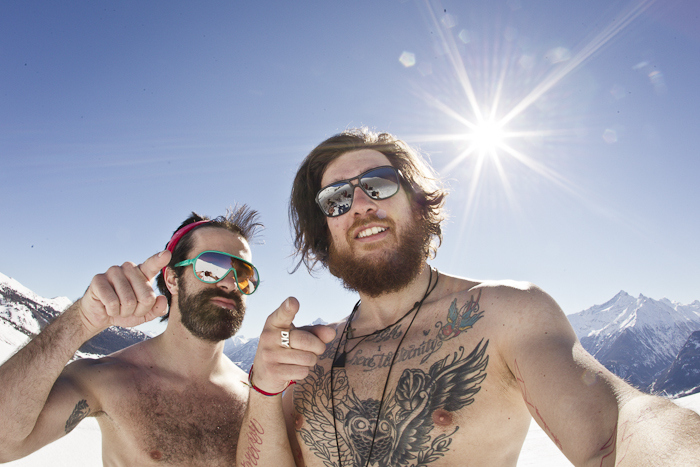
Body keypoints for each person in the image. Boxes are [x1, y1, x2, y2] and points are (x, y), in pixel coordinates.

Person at [238, 129, 700, 467]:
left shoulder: (505, 314)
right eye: (336, 199)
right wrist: (263, 390)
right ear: (325, 231)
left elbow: (619, 424)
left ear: (417, 201)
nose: (360, 204)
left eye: (379, 183)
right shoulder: (307, 358)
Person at [0, 207, 262, 466]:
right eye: (211, 267)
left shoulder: (255, 398)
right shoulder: (108, 379)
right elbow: (4, 444)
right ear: (172, 279)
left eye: (243, 274)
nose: (230, 282)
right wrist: (80, 322)